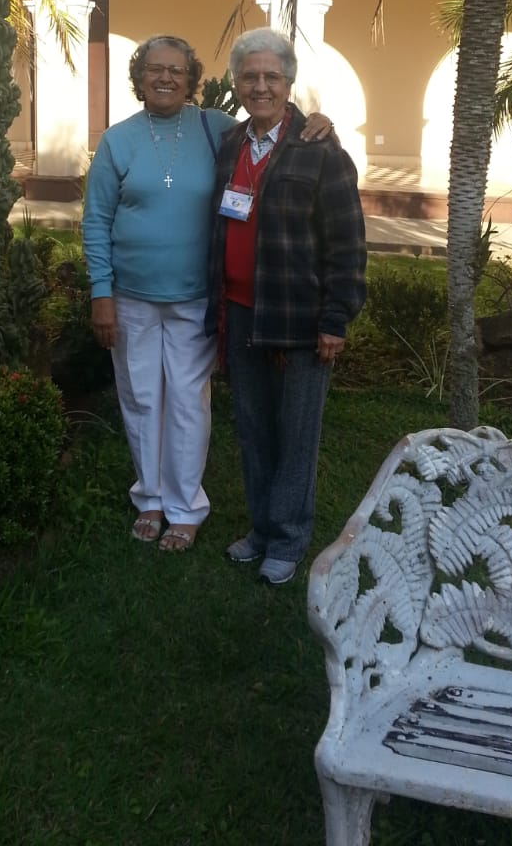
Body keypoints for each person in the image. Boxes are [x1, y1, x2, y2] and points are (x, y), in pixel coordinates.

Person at [82, 34, 332, 553]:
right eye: (155, 69)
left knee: (188, 402)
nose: (165, 78)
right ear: (139, 77)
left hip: (196, 296)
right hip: (130, 296)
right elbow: (96, 220)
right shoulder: (117, 141)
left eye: (177, 70)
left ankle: (185, 508)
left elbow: (271, 124)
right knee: (140, 397)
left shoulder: (216, 129)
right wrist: (100, 293)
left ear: (192, 79)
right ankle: (150, 499)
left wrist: (316, 120)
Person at [204, 28, 366, 584]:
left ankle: (289, 539)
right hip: (240, 312)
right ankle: (262, 528)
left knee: (296, 435)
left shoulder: (319, 148)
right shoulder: (230, 143)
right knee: (253, 429)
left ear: (289, 82)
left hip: (298, 319)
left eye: (271, 76)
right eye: (249, 76)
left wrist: (336, 317)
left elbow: (347, 242)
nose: (261, 86)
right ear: (236, 83)